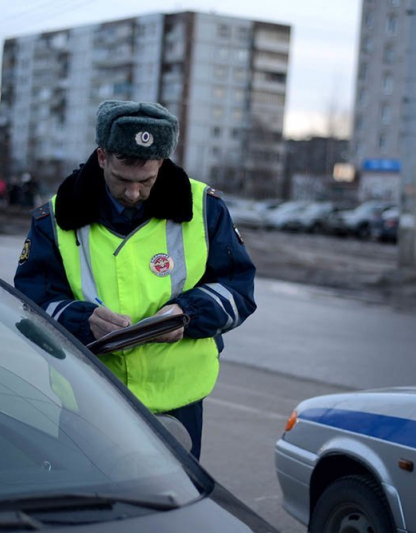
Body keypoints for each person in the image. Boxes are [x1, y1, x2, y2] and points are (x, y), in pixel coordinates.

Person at [14, 100, 256, 458]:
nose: (133, 193)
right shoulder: (54, 217)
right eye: (122, 179)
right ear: (102, 158)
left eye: (146, 181)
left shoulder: (205, 208)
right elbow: (29, 304)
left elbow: (238, 292)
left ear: (161, 163)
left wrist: (186, 315)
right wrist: (82, 320)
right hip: (88, 398)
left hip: (177, 402)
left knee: (174, 509)